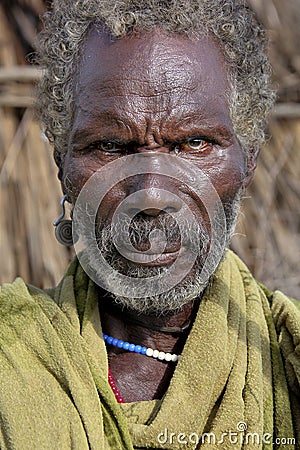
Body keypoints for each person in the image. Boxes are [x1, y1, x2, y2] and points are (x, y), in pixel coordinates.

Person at [0, 0, 299, 449]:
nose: (153, 195)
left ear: (248, 157)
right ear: (62, 163)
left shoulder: (285, 357)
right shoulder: (14, 348)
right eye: (112, 146)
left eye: (194, 143)